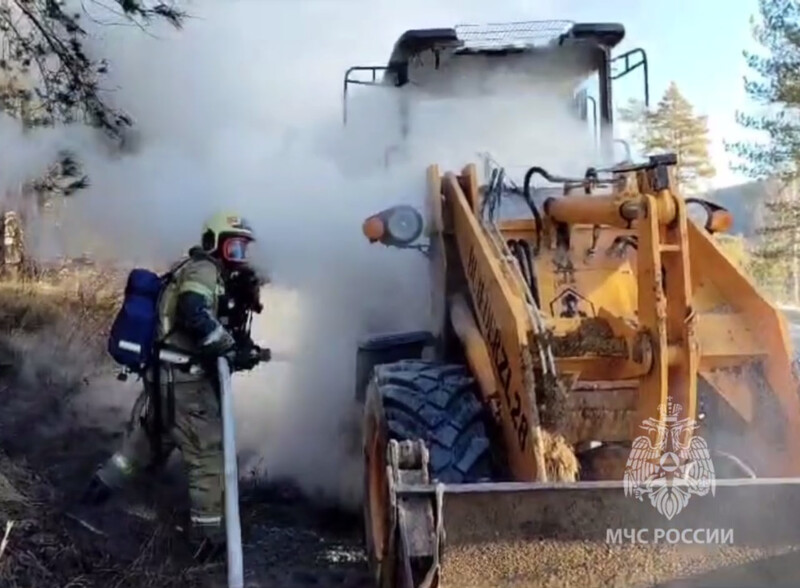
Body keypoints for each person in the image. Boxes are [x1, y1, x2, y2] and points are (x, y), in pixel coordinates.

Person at [81, 211, 267, 560]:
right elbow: (193, 311)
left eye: (244, 250)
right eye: (234, 248)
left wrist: (242, 346)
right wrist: (227, 347)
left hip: (164, 378)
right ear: (215, 244)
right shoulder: (203, 270)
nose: (240, 257)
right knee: (208, 458)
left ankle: (91, 498)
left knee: (142, 447)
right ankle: (208, 545)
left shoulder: (197, 270)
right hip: (187, 384)